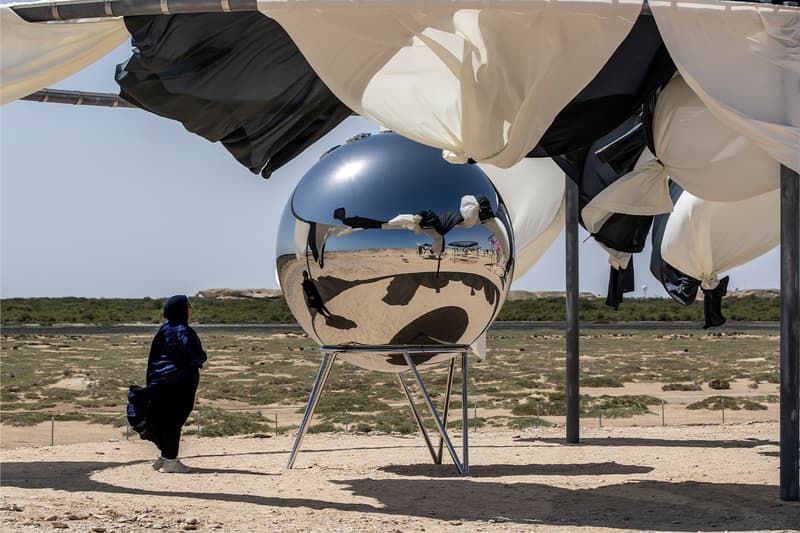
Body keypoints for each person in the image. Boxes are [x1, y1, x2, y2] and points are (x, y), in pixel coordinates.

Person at [131, 295, 207, 473]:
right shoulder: (183, 330)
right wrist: (201, 358)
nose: (191, 308)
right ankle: (171, 460)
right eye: (188, 305)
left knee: (164, 418)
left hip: (161, 380)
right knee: (175, 419)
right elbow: (195, 354)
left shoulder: (165, 328)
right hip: (179, 381)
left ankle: (165, 457)